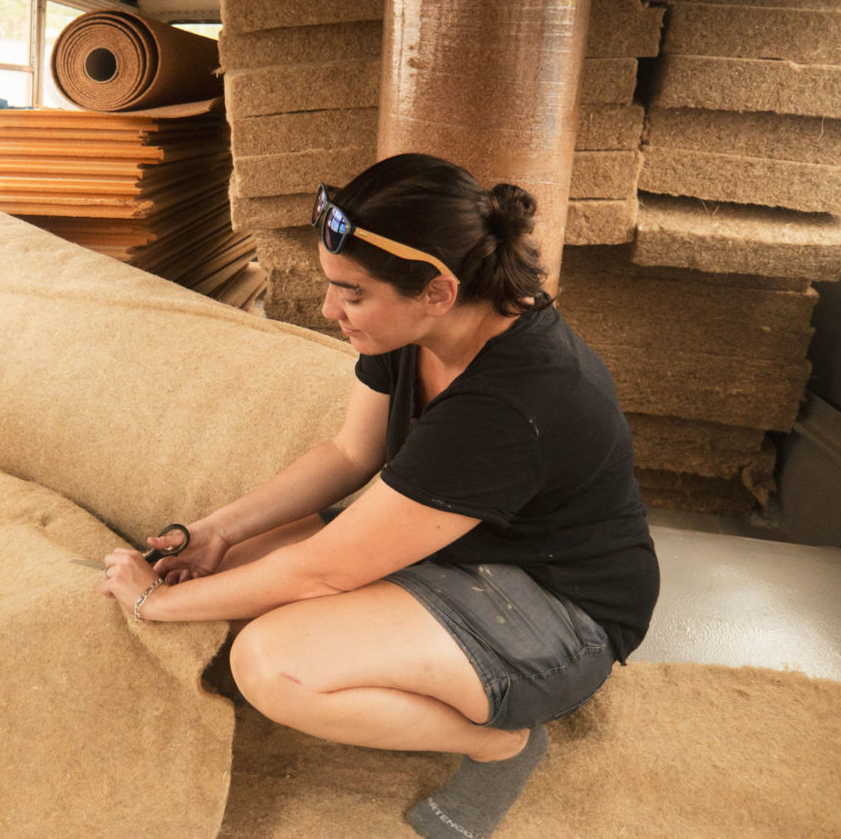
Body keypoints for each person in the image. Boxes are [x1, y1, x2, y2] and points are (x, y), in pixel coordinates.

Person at [97, 153, 660, 839]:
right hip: (462, 545)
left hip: (559, 607)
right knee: (234, 568)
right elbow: (349, 453)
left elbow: (324, 568)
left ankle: (502, 746)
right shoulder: (416, 326)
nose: (330, 309)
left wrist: (157, 604)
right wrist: (221, 530)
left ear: (438, 291)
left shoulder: (513, 400)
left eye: (353, 293)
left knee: (270, 664)